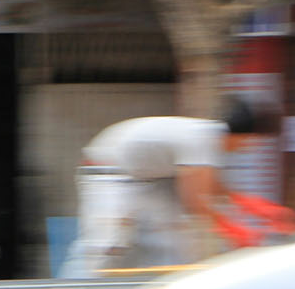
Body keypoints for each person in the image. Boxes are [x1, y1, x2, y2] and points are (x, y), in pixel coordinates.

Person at [63, 98, 276, 274]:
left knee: (174, 241)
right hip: (107, 172)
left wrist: (248, 205)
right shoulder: (201, 139)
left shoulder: (208, 138)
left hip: (144, 180)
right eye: (247, 141)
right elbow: (193, 201)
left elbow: (210, 185)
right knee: (106, 244)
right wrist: (235, 230)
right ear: (237, 134)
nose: (245, 148)